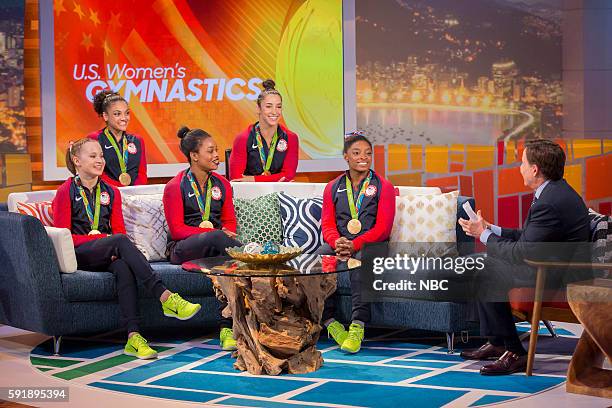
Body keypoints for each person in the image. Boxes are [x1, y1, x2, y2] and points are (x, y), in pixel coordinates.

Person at [52, 138, 201, 360]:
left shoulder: (111, 192)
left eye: (101, 156)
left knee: (123, 266)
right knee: (120, 241)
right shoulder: (65, 191)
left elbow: (118, 230)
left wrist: (109, 242)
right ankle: (165, 296)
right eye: (93, 156)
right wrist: (105, 240)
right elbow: (64, 238)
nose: (100, 160)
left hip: (108, 251)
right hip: (80, 255)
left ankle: (134, 337)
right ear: (77, 161)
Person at [458, 139, 590, 375]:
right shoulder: (553, 191)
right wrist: (491, 229)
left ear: (535, 169)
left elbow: (522, 252)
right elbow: (529, 238)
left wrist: (484, 235)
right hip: (548, 266)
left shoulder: (550, 201)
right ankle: (498, 341)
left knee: (486, 268)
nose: (520, 167)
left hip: (554, 277)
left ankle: (514, 351)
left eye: (522, 162)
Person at [163, 126, 242, 350]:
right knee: (221, 242)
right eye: (210, 151)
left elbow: (230, 224)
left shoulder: (223, 184)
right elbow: (177, 230)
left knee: (225, 265)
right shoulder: (175, 186)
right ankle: (249, 256)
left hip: (215, 248)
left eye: (216, 150)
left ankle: (226, 327)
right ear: (194, 156)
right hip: (181, 249)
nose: (216, 155)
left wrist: (218, 235)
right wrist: (212, 234)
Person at [318, 132, 396, 353]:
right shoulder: (332, 187)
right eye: (356, 153)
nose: (364, 157)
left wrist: (356, 245)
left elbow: (383, 229)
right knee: (320, 257)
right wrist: (337, 242)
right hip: (341, 243)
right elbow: (328, 226)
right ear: (346, 157)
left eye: (368, 153)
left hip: (372, 245)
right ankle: (331, 324)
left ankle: (357, 328)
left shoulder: (384, 186)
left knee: (361, 261)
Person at [229, 79, 298, 182]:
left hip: (279, 194)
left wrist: (252, 179)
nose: (274, 112)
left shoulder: (291, 138)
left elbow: (288, 176)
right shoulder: (243, 138)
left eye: (278, 107)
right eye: (268, 106)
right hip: (249, 195)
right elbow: (236, 180)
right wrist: (275, 179)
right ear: (258, 109)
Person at [87, 90, 147, 186]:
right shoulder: (95, 139)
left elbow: (142, 174)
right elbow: (95, 172)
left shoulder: (137, 140)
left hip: (135, 195)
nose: (124, 118)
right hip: (108, 194)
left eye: (127, 113)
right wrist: (118, 191)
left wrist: (134, 193)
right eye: (117, 114)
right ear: (105, 116)